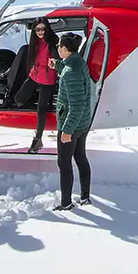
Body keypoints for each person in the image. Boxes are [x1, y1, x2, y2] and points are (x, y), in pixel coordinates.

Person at [52, 32, 94, 211]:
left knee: (64, 162)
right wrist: (59, 65)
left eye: (59, 46)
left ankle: (66, 203)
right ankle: (85, 196)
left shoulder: (70, 73)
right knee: (80, 157)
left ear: (65, 48)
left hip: (71, 124)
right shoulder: (78, 62)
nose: (57, 49)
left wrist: (67, 131)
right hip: (83, 123)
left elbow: (76, 105)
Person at [13, 17, 60, 153]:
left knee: (41, 108)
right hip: (35, 75)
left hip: (47, 78)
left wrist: (55, 63)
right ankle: (39, 115)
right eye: (38, 29)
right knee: (18, 99)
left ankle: (37, 139)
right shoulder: (35, 42)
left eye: (43, 29)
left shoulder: (52, 42)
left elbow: (58, 57)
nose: (41, 32)